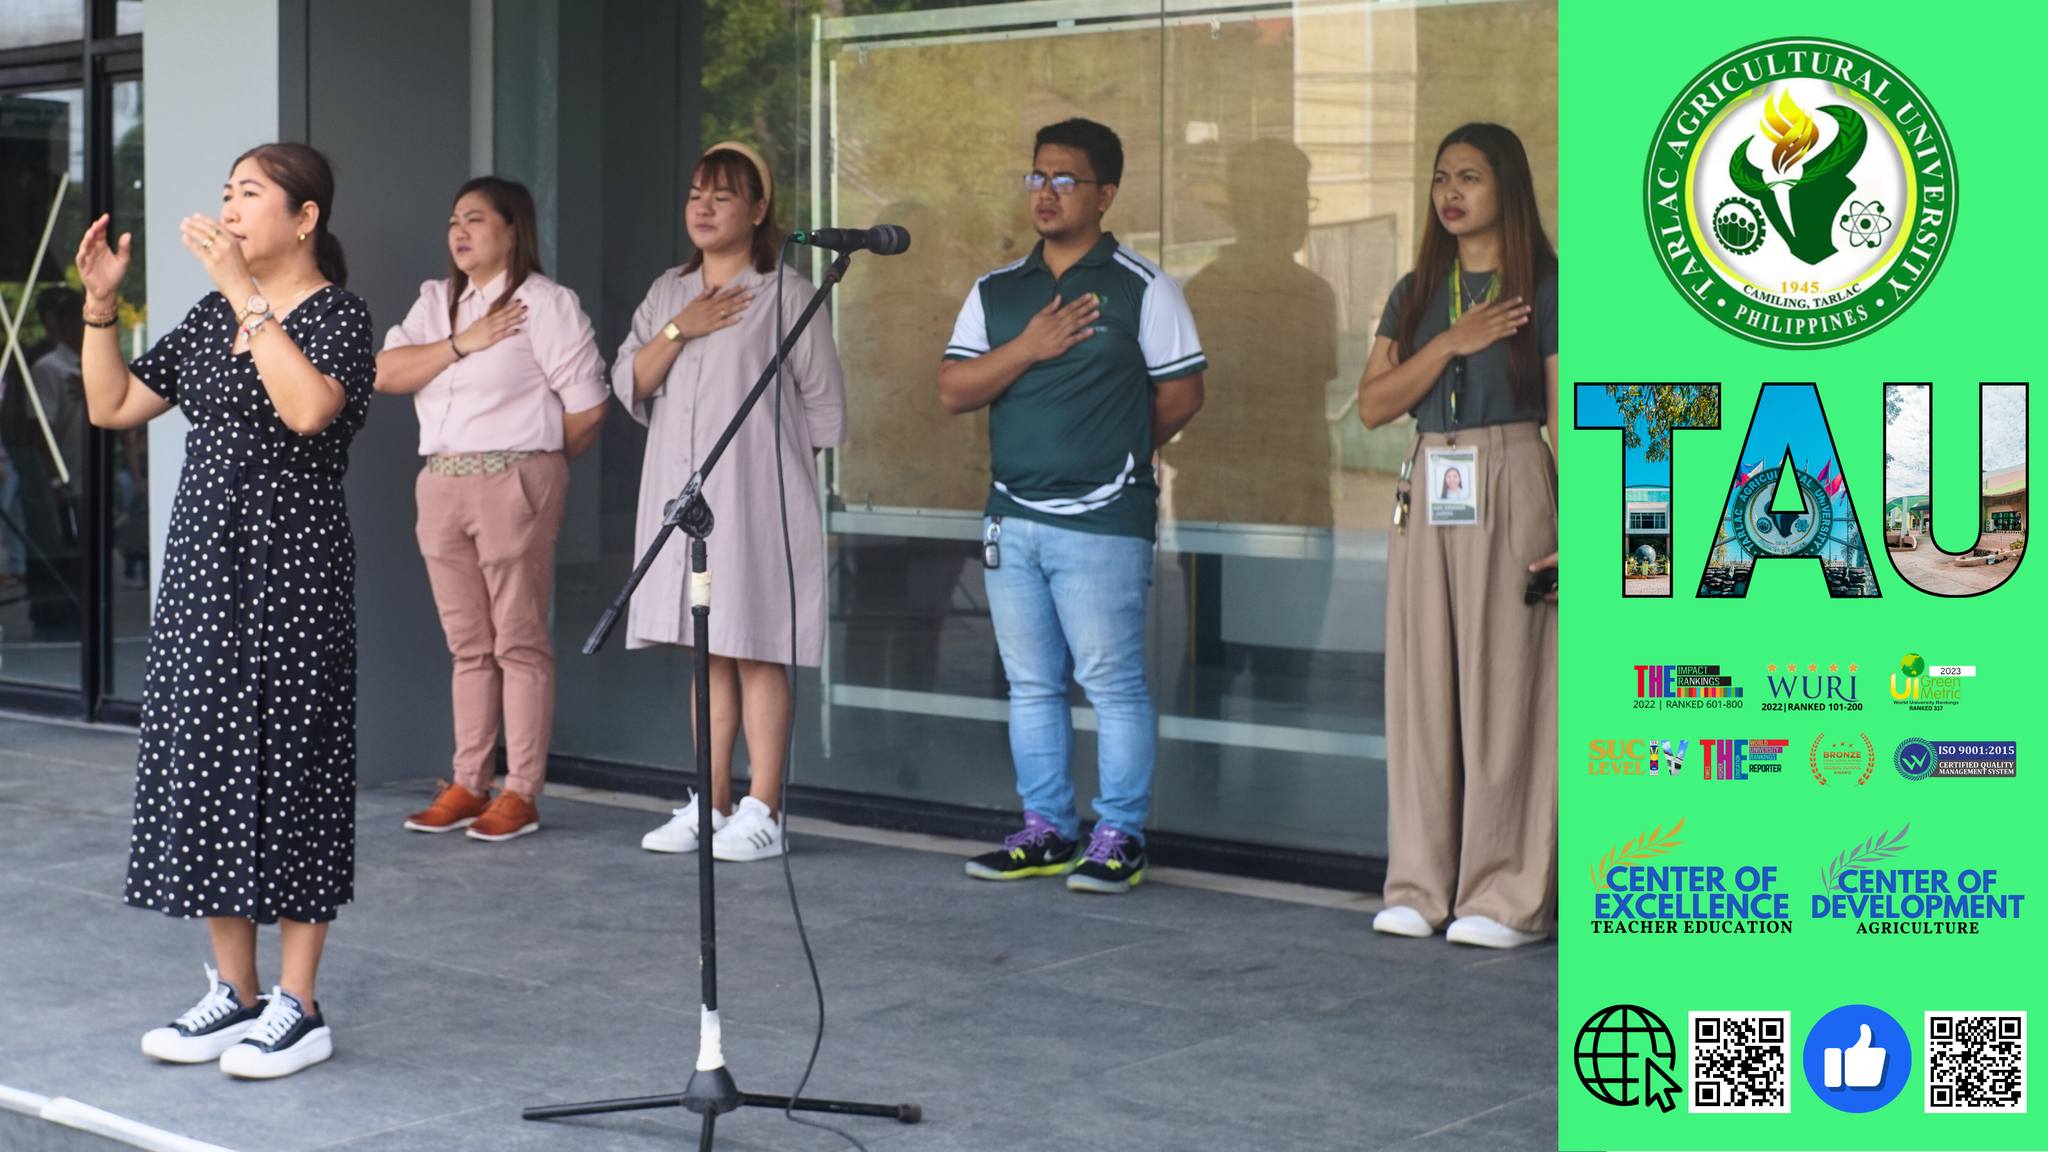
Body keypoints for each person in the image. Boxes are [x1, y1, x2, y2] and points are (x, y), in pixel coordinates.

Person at [76, 142, 375, 1077]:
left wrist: (249, 296)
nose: (230, 208)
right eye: (226, 194)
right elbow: (114, 404)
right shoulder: (212, 316)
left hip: (294, 578)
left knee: (294, 768)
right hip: (206, 574)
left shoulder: (338, 316)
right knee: (206, 765)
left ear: (305, 217)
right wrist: (97, 308)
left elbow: (307, 412)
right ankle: (234, 992)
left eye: (249, 193)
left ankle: (300, 1004)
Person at [942, 118, 1206, 894]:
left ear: (1106, 194)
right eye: (1036, 177)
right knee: (1030, 682)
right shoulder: (997, 291)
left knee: (1112, 682)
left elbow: (1183, 393)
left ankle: (1119, 833)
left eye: (1065, 179)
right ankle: (1046, 831)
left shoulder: (1143, 286)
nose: (1046, 192)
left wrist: (1114, 448)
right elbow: (954, 390)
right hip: (1011, 517)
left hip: (1101, 519)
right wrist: (1028, 347)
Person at [1357, 122, 1558, 949]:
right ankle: (1420, 884)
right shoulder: (1416, 290)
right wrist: (1450, 341)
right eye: (1443, 177)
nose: (1451, 192)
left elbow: (1571, 411)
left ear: (1505, 188)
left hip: (1512, 472)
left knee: (1508, 695)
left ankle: (1505, 896)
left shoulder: (1546, 284)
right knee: (1423, 690)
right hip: (1428, 478)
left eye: (1470, 177)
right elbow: (1374, 404)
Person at [618, 142, 846, 862]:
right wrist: (683, 325)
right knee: (705, 649)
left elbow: (824, 410)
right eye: (695, 193)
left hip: (758, 501)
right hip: (683, 502)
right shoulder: (665, 291)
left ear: (757, 210)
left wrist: (765, 480)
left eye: (722, 195)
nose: (704, 207)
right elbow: (630, 380)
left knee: (759, 648)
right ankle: (708, 802)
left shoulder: (787, 292)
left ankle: (764, 809)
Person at [375, 177, 608, 842]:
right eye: (454, 220)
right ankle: (470, 782)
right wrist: (461, 343)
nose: (460, 231)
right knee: (468, 645)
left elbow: (588, 406)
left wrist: (534, 466)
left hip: (514, 478)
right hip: (441, 482)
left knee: (519, 641)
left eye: (476, 219)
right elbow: (387, 373)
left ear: (513, 231)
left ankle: (522, 791)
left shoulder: (545, 304)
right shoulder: (435, 301)